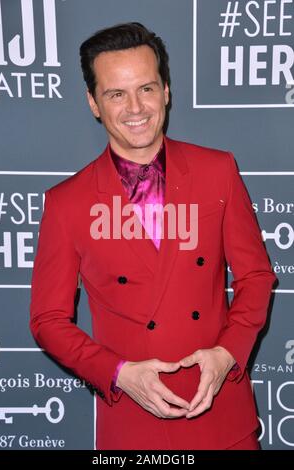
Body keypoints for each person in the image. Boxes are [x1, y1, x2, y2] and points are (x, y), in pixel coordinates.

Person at [30, 22, 276, 450]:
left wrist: (227, 354)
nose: (135, 107)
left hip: (223, 415)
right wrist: (119, 373)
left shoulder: (217, 172)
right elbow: (48, 322)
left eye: (146, 88)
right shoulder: (67, 203)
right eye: (116, 94)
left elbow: (256, 277)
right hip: (134, 422)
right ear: (93, 103)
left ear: (166, 90)